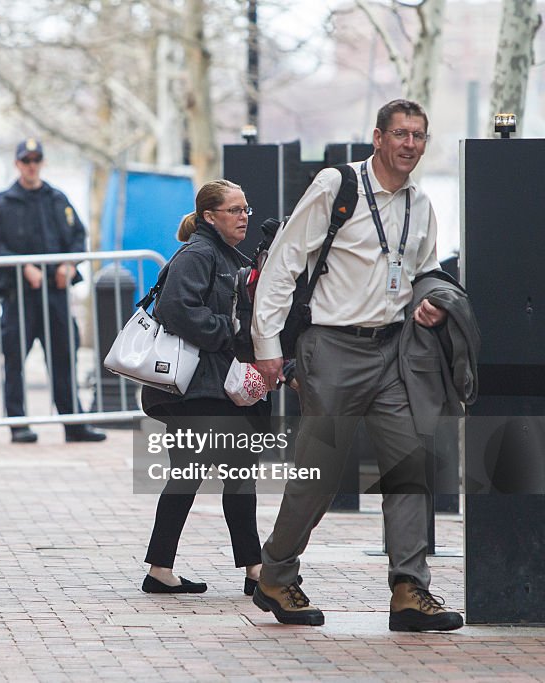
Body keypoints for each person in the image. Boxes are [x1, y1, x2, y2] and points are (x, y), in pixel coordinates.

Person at [250, 99, 463, 631]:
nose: (409, 144)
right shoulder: (336, 186)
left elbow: (426, 270)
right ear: (378, 137)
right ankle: (275, 575)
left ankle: (410, 590)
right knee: (320, 472)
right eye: (400, 134)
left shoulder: (422, 203)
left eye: (418, 135)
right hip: (332, 350)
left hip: (394, 352)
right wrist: (267, 344)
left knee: (410, 465)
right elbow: (283, 261)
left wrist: (433, 299)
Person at [139, 180, 269, 595]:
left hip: (212, 387)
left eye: (246, 208)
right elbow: (176, 309)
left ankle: (162, 569)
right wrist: (228, 330)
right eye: (234, 210)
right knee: (229, 474)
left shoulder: (225, 254)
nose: (244, 216)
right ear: (210, 216)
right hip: (198, 388)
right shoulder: (200, 253)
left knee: (196, 476)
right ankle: (254, 571)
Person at [0, 138, 106, 444]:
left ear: (43, 163)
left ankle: (74, 424)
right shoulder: (4, 202)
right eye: (26, 160)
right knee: (14, 362)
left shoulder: (56, 198)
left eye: (36, 160)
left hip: (55, 294)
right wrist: (23, 267)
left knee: (65, 359)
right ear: (17, 164)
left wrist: (69, 264)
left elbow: (78, 235)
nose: (32, 165)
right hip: (19, 297)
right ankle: (19, 425)